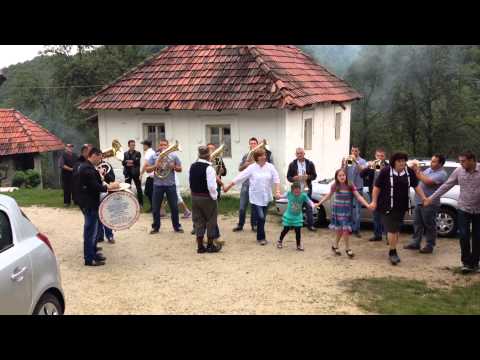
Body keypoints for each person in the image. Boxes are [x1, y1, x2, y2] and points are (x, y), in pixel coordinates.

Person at [425, 151, 480, 274]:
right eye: (460, 161)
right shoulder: (459, 171)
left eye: (463, 161)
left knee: (477, 237)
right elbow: (446, 186)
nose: (461, 164)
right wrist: (431, 198)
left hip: (478, 210)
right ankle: (466, 263)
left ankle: (475, 263)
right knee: (464, 235)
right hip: (463, 209)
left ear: (472, 160)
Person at [369, 152, 427, 265]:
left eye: (403, 161)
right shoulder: (385, 171)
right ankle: (393, 252)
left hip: (401, 206)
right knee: (391, 229)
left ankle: (392, 246)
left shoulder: (409, 172)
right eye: (399, 161)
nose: (402, 163)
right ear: (393, 162)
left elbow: (416, 186)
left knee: (396, 229)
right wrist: (374, 201)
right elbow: (376, 188)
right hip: (386, 205)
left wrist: (424, 197)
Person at [223, 148, 281, 245]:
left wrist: (278, 191)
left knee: (262, 218)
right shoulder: (252, 167)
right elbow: (240, 177)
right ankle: (261, 238)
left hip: (266, 196)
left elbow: (276, 179)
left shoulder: (270, 167)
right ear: (257, 158)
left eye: (264, 155)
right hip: (255, 197)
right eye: (261, 155)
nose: (264, 157)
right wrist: (229, 186)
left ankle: (260, 234)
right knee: (261, 217)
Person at [77, 148, 119, 266]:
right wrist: (109, 187)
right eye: (100, 157)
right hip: (89, 204)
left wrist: (103, 180)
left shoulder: (89, 167)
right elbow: (94, 186)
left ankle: (93, 254)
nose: (101, 160)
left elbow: (96, 183)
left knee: (93, 231)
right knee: (90, 231)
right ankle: (89, 259)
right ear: (94, 155)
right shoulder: (87, 169)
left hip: (92, 203)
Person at [316, 169, 371, 258]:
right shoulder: (335, 185)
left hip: (347, 211)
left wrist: (367, 205)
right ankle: (347, 249)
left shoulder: (350, 185)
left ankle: (335, 246)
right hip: (337, 210)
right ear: (336, 177)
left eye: (343, 175)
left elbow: (358, 196)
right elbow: (328, 195)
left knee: (343, 230)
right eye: (340, 176)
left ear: (346, 176)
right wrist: (319, 203)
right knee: (342, 230)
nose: (342, 177)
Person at [403, 154, 447, 254]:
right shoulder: (428, 170)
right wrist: (414, 169)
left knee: (429, 225)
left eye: (434, 161)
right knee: (417, 224)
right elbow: (418, 178)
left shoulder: (442, 174)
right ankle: (415, 243)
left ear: (440, 163)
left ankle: (429, 245)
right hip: (419, 201)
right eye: (431, 160)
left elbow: (427, 181)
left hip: (430, 203)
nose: (431, 163)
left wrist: (417, 171)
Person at [146, 139, 184, 234]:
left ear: (168, 146)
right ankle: (155, 227)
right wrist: (155, 166)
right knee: (155, 208)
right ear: (159, 146)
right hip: (157, 185)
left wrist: (174, 167)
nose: (163, 146)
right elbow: (147, 169)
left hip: (170, 185)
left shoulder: (174, 156)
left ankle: (177, 227)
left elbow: (180, 169)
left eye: (165, 145)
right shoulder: (154, 156)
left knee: (174, 207)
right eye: (161, 145)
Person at [189, 146, 222, 254]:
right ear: (208, 155)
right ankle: (210, 245)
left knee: (198, 221)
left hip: (194, 197)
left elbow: (191, 182)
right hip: (207, 197)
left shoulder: (192, 166)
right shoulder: (209, 168)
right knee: (211, 221)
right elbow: (212, 187)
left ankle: (200, 247)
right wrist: (215, 197)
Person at [232, 137, 261, 232]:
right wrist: (246, 164)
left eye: (254, 143)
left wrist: (254, 163)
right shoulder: (246, 156)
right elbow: (240, 169)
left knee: (254, 207)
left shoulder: (261, 156)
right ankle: (240, 225)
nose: (252, 145)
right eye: (251, 143)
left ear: (257, 144)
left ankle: (254, 225)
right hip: (246, 184)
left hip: (256, 185)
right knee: (242, 207)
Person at [276, 182, 315, 251]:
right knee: (286, 229)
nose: (297, 193)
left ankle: (298, 245)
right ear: (292, 191)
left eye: (298, 191)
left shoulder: (303, 195)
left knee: (298, 230)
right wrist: (278, 195)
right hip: (289, 215)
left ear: (300, 190)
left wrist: (313, 205)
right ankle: (280, 241)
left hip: (297, 216)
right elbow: (281, 196)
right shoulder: (289, 194)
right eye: (295, 191)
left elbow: (309, 201)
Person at [286, 147, 317, 231]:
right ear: (296, 154)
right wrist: (294, 178)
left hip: (307, 188)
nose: (299, 155)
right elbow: (288, 177)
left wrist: (308, 177)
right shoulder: (292, 164)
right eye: (298, 153)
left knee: (308, 207)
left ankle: (310, 225)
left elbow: (314, 176)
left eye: (301, 153)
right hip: (296, 189)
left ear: (304, 154)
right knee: (294, 207)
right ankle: (292, 224)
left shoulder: (310, 163)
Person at [360, 148, 388, 241]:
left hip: (385, 194)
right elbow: (361, 175)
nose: (380, 158)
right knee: (376, 215)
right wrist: (368, 166)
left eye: (382, 156)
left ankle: (388, 236)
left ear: (385, 156)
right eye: (378, 156)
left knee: (385, 215)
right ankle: (377, 235)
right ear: (375, 156)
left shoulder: (388, 166)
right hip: (373, 193)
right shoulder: (372, 166)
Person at [342, 145, 368, 237]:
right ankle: (349, 228)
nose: (353, 152)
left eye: (355, 151)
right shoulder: (348, 160)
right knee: (348, 209)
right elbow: (343, 172)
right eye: (352, 151)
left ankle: (356, 229)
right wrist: (344, 164)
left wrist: (355, 161)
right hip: (348, 187)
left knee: (357, 210)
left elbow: (362, 170)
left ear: (359, 152)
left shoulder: (362, 161)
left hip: (358, 188)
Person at [96, 154, 116, 244]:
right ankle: (99, 236)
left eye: (100, 156)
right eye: (97, 156)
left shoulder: (107, 166)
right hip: (96, 192)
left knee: (106, 214)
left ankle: (110, 236)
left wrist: (104, 173)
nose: (99, 158)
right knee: (97, 215)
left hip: (105, 192)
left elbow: (112, 179)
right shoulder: (91, 167)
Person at [123, 140, 143, 207]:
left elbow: (137, 162)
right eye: (132, 145)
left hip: (136, 173)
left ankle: (141, 203)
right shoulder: (125, 153)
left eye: (134, 145)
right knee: (127, 188)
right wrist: (130, 162)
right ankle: (128, 202)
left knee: (138, 188)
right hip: (127, 173)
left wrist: (128, 162)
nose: (133, 146)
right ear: (128, 146)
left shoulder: (138, 153)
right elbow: (123, 163)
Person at [140, 140, 156, 212]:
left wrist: (141, 174)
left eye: (143, 145)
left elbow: (146, 164)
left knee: (149, 192)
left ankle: (153, 207)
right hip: (151, 175)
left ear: (146, 145)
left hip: (151, 175)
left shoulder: (148, 153)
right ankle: (153, 207)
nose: (143, 146)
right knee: (149, 192)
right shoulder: (152, 152)